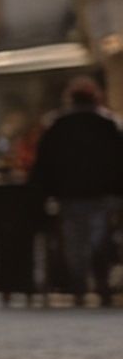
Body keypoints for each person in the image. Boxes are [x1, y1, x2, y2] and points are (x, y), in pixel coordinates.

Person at [28, 77, 123, 307]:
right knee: (99, 239)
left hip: (69, 195)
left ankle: (80, 285)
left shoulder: (58, 125)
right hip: (102, 194)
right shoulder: (108, 124)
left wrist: (43, 193)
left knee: (75, 242)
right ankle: (101, 284)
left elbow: (43, 164)